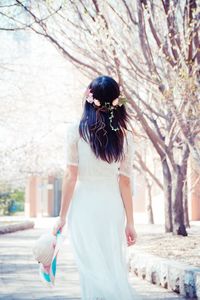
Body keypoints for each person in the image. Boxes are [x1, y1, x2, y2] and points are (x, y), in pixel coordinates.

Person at [53, 75, 138, 299]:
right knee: (111, 263)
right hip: (112, 207)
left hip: (84, 206)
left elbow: (71, 177)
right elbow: (125, 182)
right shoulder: (125, 137)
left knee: (90, 268)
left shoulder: (76, 131)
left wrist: (61, 217)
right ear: (116, 101)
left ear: (89, 98)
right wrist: (130, 222)